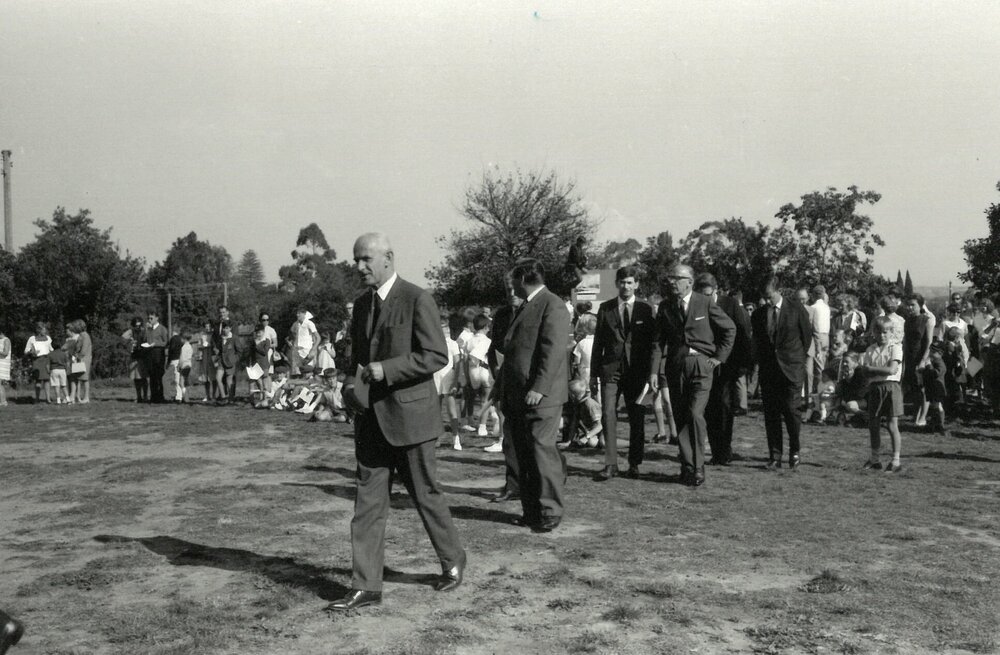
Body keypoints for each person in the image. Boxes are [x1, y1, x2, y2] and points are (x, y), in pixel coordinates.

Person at [329, 232, 465, 612]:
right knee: (367, 504)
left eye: (365, 259)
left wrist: (386, 369)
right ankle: (366, 585)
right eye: (356, 260)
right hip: (371, 420)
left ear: (388, 257)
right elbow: (357, 357)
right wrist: (349, 386)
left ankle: (452, 559)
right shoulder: (360, 306)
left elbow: (436, 356)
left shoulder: (417, 298)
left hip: (412, 419)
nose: (359, 267)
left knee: (425, 495)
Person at [499, 257, 570, 530]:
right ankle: (532, 511)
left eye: (514, 280)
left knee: (542, 452)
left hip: (542, 398)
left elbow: (551, 352)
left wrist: (539, 388)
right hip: (518, 395)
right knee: (524, 455)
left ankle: (550, 510)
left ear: (524, 279)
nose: (512, 287)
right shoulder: (527, 306)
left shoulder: (553, 305)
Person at [648, 264, 735, 486]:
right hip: (675, 367)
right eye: (670, 278)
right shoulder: (666, 307)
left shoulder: (705, 302)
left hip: (701, 365)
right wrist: (654, 371)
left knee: (696, 414)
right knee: (680, 416)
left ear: (689, 281)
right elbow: (658, 342)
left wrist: (718, 358)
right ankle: (687, 465)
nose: (671, 282)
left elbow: (729, 328)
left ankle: (698, 466)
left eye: (676, 278)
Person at [591, 265, 655, 480]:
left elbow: (653, 344)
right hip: (610, 370)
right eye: (622, 282)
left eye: (630, 282)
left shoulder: (646, 310)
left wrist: (652, 373)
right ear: (617, 283)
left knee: (637, 417)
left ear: (636, 284)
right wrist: (593, 374)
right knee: (608, 414)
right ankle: (610, 463)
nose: (626, 286)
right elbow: (597, 342)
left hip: (637, 373)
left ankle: (634, 463)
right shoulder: (606, 309)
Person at [750, 275, 812, 469]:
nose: (767, 301)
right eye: (764, 297)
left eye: (770, 296)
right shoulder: (758, 315)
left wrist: (797, 361)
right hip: (769, 371)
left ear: (779, 290)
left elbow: (807, 337)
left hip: (792, 369)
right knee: (771, 414)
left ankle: (794, 450)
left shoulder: (796, 309)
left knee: (792, 411)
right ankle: (775, 456)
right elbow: (759, 343)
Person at [694, 273, 753, 466]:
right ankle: (716, 451)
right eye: (702, 295)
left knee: (725, 408)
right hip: (706, 365)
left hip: (728, 365)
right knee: (710, 409)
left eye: (708, 295)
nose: (706, 299)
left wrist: (743, 365)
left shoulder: (731, 304)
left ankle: (725, 451)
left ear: (716, 290)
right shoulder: (697, 305)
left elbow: (743, 333)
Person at [484, 275, 523, 500]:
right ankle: (513, 484)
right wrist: (496, 373)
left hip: (532, 386)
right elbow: (493, 349)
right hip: (507, 383)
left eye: (515, 289)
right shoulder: (501, 315)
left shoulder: (536, 311)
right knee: (509, 436)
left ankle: (553, 474)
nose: (512, 294)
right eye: (508, 290)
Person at [860, 316, 904, 473]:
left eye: (885, 332)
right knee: (874, 424)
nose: (882, 335)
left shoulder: (895, 348)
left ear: (891, 332)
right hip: (875, 388)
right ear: (873, 332)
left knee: (892, 424)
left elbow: (891, 370)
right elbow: (864, 371)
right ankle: (875, 459)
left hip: (891, 387)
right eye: (878, 332)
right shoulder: (870, 349)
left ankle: (896, 460)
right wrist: (871, 370)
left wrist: (872, 369)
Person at [902, 294, 932, 427]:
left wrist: (923, 360)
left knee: (923, 389)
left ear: (920, 305)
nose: (909, 307)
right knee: (914, 388)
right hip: (910, 358)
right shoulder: (907, 321)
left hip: (921, 357)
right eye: (908, 305)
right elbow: (906, 342)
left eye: (912, 305)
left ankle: (923, 417)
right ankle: (916, 414)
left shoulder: (927, 320)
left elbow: (929, 342)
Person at [566, 378, 603, 448]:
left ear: (573, 395)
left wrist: (587, 437)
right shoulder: (578, 405)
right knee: (591, 442)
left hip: (601, 431)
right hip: (591, 432)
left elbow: (600, 425)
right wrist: (569, 441)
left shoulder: (589, 404)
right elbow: (575, 423)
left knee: (598, 442)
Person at [25, 322, 53, 404]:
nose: (45, 331)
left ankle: (48, 399)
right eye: (44, 329)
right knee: (38, 380)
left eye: (45, 329)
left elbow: (51, 348)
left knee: (47, 380)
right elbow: (26, 351)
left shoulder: (48, 338)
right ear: (39, 330)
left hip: (46, 360)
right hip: (37, 360)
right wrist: (31, 352)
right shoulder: (32, 339)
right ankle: (37, 398)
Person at [122, 318, 149, 402]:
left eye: (139, 325)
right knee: (136, 379)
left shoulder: (145, 331)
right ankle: (139, 396)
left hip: (143, 356)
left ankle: (145, 396)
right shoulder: (131, 332)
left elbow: (149, 341)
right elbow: (123, 337)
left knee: (143, 378)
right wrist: (130, 341)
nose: (138, 327)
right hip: (134, 356)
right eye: (136, 325)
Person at [144, 311, 169, 403]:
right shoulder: (149, 329)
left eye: (151, 318)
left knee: (158, 375)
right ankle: (153, 396)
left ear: (157, 318)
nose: (150, 320)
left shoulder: (162, 329)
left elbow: (166, 342)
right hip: (150, 353)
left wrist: (157, 343)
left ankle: (160, 396)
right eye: (149, 318)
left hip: (158, 353)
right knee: (152, 375)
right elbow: (147, 340)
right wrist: (148, 331)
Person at [291, 308, 320, 377]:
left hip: (307, 350)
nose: (297, 315)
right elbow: (292, 332)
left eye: (299, 313)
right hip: (297, 351)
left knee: (308, 372)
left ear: (304, 314)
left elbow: (318, 338)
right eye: (297, 313)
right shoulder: (296, 324)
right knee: (297, 373)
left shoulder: (309, 323)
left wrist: (313, 349)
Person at [49, 340, 69, 404]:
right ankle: (68, 399)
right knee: (64, 385)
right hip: (62, 370)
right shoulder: (63, 353)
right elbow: (67, 363)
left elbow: (47, 364)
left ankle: (58, 400)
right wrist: (66, 369)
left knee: (56, 386)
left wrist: (48, 371)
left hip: (54, 370)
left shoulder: (51, 354)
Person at [0, 327, 11, 406]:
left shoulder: (6, 340)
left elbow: (5, 352)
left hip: (3, 363)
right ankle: (3, 401)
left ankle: (3, 402)